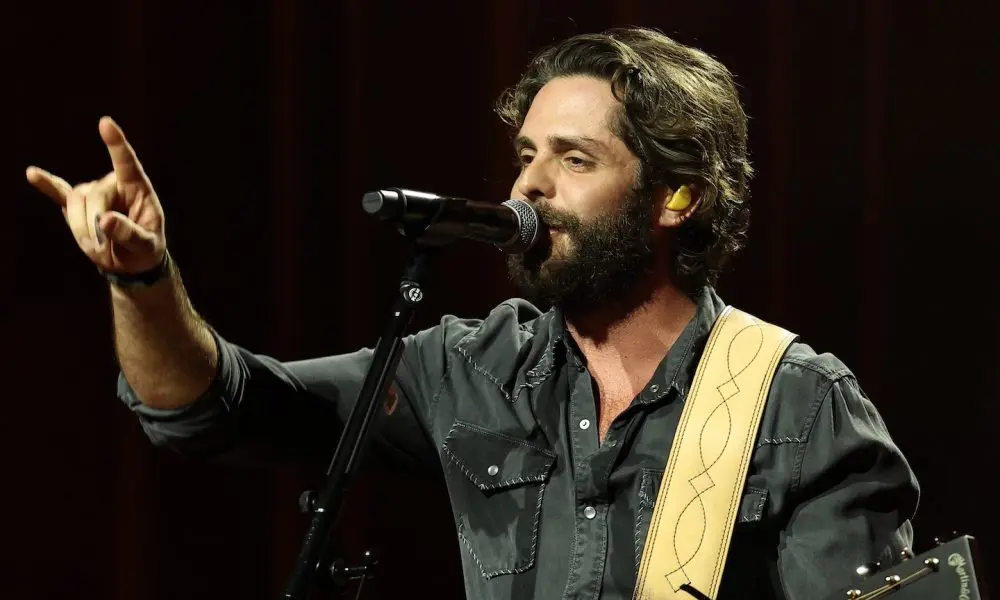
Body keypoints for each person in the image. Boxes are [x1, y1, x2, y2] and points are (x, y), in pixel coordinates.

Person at [26, 26, 918, 600]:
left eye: (573, 158)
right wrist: (142, 281)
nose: (527, 185)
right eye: (527, 154)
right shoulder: (468, 369)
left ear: (676, 198)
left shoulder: (793, 404)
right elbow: (209, 410)